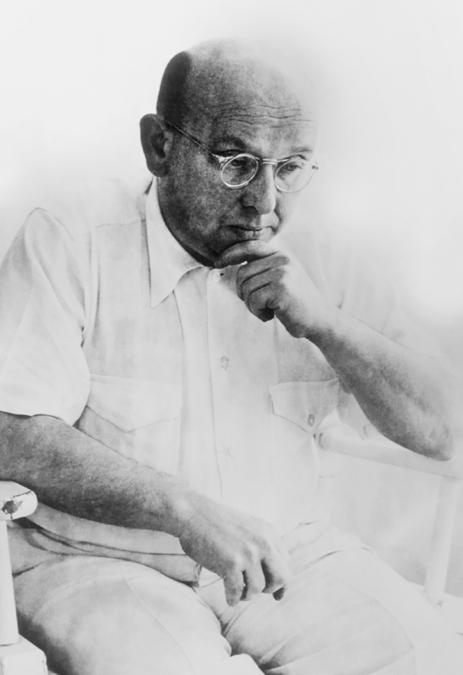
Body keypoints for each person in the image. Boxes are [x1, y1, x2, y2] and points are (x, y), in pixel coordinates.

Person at [0, 39, 462, 675]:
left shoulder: (325, 254)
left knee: (431, 657)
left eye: (291, 167)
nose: (266, 202)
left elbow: (443, 430)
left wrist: (327, 325)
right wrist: (183, 510)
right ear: (159, 146)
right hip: (96, 562)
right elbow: (13, 435)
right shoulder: (72, 236)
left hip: (290, 557)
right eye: (237, 163)